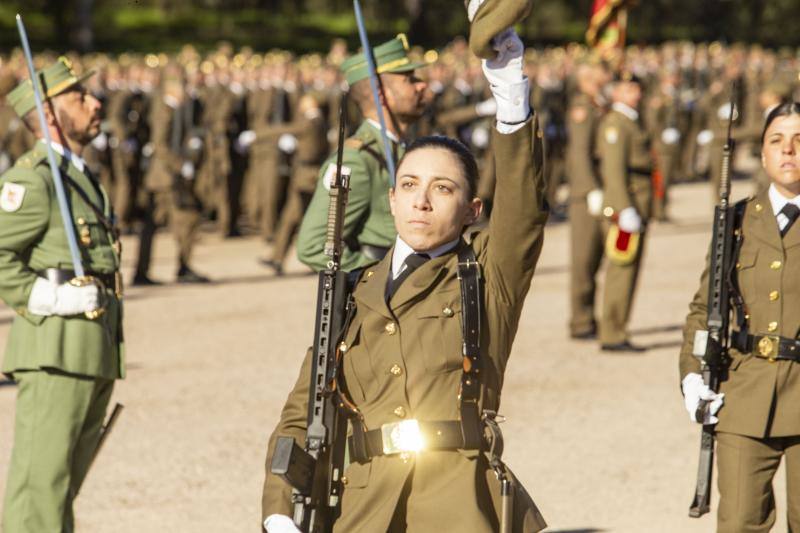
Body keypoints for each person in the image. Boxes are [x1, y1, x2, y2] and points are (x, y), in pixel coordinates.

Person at [262, 28, 547, 533]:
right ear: (391, 199)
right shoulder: (352, 290)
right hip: (363, 508)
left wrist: (510, 97)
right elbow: (301, 411)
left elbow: (523, 211)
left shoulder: (484, 274)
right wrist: (279, 507)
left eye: (443, 189)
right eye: (410, 185)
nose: (421, 201)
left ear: (472, 210)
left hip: (457, 501)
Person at [0, 57, 124, 533]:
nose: (95, 103)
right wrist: (46, 298)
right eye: (80, 97)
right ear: (49, 113)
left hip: (91, 348)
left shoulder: (78, 176)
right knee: (39, 487)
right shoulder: (33, 179)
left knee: (63, 487)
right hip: (55, 349)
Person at [679, 102, 800, 533]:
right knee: (739, 522)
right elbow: (705, 307)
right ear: (763, 155)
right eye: (777, 141)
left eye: (799, 141)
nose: (789, 151)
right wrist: (693, 374)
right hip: (744, 389)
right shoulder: (736, 221)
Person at [295, 34, 428, 272]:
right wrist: (381, 275)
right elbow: (313, 246)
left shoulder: (404, 148)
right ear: (380, 93)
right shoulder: (357, 160)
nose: (422, 85)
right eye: (409, 79)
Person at [133, 74, 209, 284]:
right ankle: (180, 268)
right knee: (187, 219)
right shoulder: (164, 112)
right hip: (164, 178)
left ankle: (145, 271)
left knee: (154, 225)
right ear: (174, 91)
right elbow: (160, 145)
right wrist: (180, 165)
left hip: (166, 178)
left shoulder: (173, 110)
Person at [596, 72, 653, 352]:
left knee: (629, 270)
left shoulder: (631, 119)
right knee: (622, 269)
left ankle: (618, 327)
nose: (636, 93)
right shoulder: (616, 123)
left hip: (637, 202)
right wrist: (624, 207)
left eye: (636, 87)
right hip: (625, 206)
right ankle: (612, 333)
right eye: (629, 88)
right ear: (615, 92)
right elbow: (614, 170)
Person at [566, 61, 607, 340]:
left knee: (595, 259)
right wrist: (590, 188)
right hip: (585, 193)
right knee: (583, 259)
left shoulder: (597, 103)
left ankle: (589, 317)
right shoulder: (583, 106)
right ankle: (580, 320)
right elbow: (579, 152)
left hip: (598, 187)